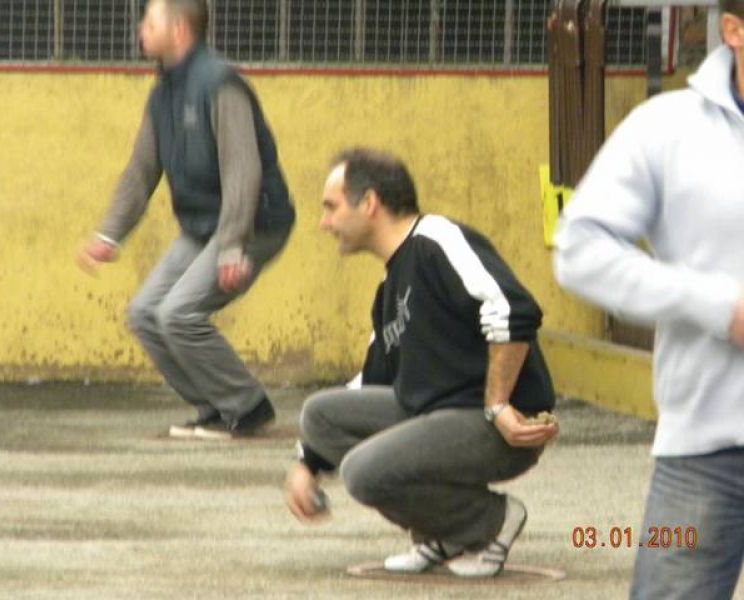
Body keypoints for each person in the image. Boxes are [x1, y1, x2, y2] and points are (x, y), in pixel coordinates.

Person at [285, 148, 558, 577]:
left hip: (499, 425)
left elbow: (512, 308)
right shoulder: (390, 289)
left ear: (369, 203)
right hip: (437, 417)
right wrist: (307, 464)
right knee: (319, 414)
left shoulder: (437, 241)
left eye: (331, 207)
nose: (324, 223)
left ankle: (490, 521)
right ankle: (445, 533)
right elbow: (370, 381)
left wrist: (499, 405)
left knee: (362, 471)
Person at [554, 4, 744, 597]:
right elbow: (580, 248)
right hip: (706, 451)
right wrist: (719, 308)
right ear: (734, 30)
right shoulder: (667, 128)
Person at [77, 0, 295, 439]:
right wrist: (109, 234)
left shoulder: (220, 85)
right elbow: (141, 171)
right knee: (144, 313)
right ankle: (213, 407)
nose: (141, 28)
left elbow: (242, 170)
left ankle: (247, 406)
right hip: (202, 227)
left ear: (178, 31)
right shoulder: (163, 94)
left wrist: (232, 247)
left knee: (179, 314)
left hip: (252, 223)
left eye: (150, 22)